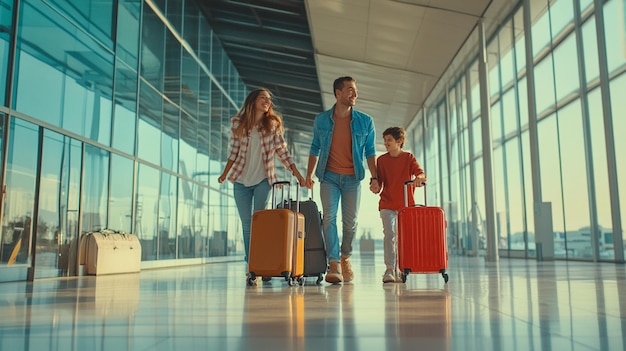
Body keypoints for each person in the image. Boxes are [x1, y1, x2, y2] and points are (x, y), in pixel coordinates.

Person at [218, 88, 305, 283]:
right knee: (247, 226)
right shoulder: (237, 124)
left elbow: (283, 152)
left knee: (260, 225)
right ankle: (253, 266)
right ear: (253, 101)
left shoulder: (272, 125)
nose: (267, 101)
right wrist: (225, 174)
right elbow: (232, 152)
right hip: (240, 181)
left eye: (269, 99)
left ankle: (261, 263)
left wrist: (298, 174)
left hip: (263, 181)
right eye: (263, 98)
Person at [305, 76, 377, 284]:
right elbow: (314, 148)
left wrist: (375, 177)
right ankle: (334, 262)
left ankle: (345, 256)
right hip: (328, 177)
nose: (355, 94)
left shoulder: (366, 121)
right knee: (329, 218)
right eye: (350, 90)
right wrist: (309, 175)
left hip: (353, 179)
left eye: (355, 90)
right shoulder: (321, 120)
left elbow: (370, 152)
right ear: (338, 93)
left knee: (351, 223)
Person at [371, 126, 426, 283]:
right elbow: (378, 182)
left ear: (399, 141)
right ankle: (389, 269)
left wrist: (419, 178)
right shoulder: (381, 160)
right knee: (390, 235)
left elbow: (420, 173)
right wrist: (374, 186)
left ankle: (403, 268)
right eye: (385, 140)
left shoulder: (408, 158)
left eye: (389, 140)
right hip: (387, 203)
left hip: (405, 206)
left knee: (403, 238)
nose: (386, 143)